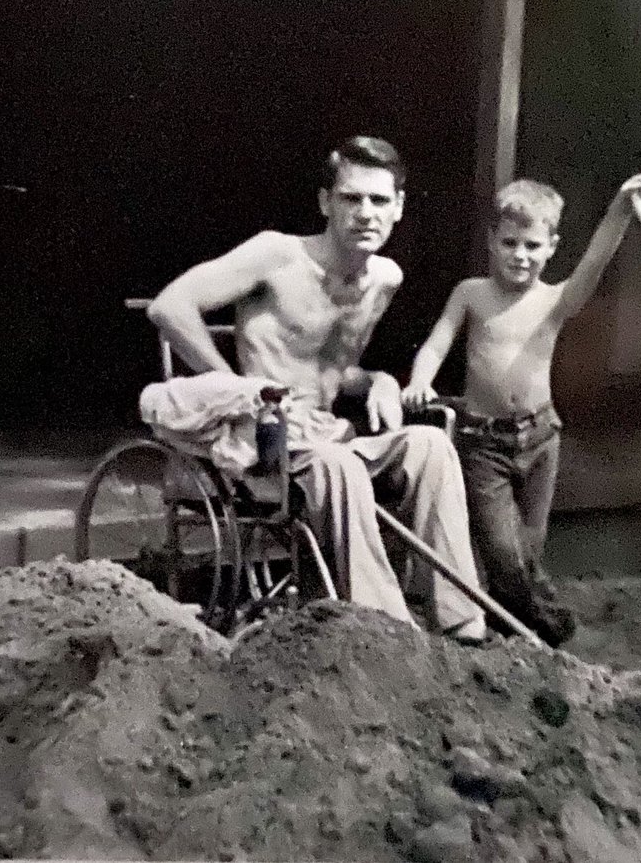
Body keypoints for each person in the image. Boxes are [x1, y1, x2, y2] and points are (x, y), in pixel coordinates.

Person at [147, 136, 487, 642]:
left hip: (326, 435)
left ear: (399, 206)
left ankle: (465, 624)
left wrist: (381, 380)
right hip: (267, 450)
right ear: (327, 202)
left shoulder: (384, 279)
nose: (365, 213)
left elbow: (330, 368)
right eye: (351, 198)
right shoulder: (276, 256)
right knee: (339, 462)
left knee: (431, 446)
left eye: (378, 200)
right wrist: (239, 387)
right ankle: (389, 633)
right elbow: (169, 307)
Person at [402, 174, 641, 645]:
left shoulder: (555, 300)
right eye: (510, 243)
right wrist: (421, 379)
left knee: (530, 545)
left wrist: (620, 209)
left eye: (532, 246)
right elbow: (437, 345)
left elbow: (595, 262)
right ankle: (543, 624)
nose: (521, 255)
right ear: (491, 242)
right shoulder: (472, 293)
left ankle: (511, 623)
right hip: (483, 443)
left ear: (552, 247)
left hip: (541, 436)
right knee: (501, 547)